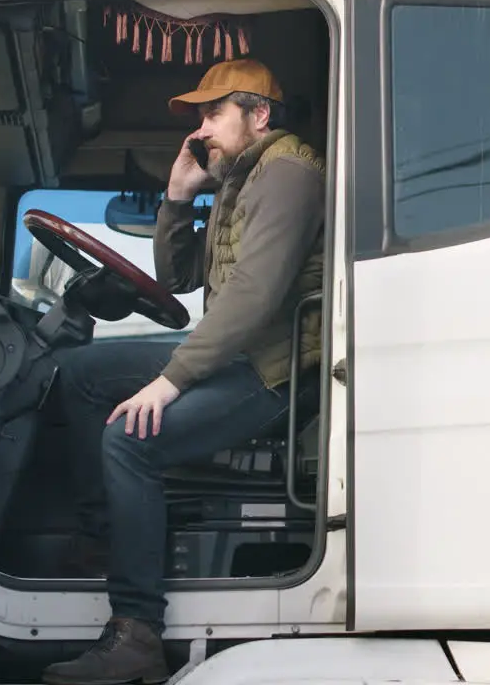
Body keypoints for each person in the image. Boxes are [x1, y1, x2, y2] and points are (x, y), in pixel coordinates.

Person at [41, 58, 326, 685]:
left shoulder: (287, 173)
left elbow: (253, 296)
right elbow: (180, 281)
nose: (202, 128)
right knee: (80, 374)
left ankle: (137, 631)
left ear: (259, 115)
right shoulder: (238, 178)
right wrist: (177, 195)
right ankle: (102, 540)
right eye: (200, 115)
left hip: (277, 371)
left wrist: (169, 382)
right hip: (236, 352)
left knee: (128, 440)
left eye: (214, 113)